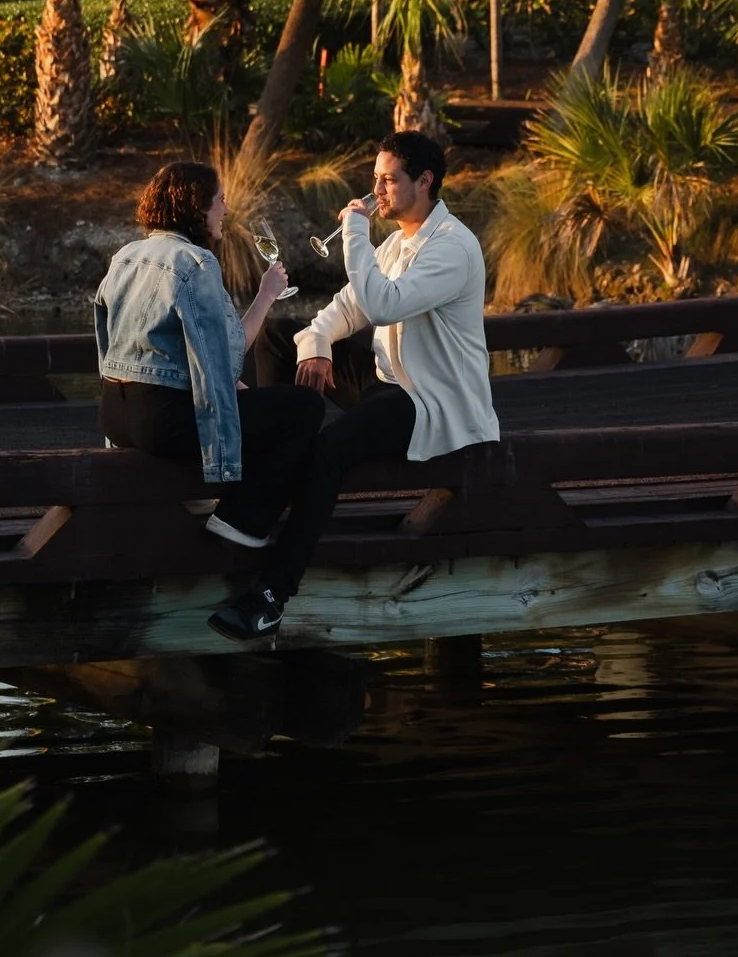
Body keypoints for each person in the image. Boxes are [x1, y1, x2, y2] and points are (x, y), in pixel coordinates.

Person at [208, 130, 500, 641]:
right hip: (389, 381)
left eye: (389, 181)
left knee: (331, 448)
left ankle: (273, 595)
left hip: (434, 401)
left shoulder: (453, 247)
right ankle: (267, 483)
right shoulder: (396, 242)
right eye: (375, 181)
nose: (378, 192)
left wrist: (355, 233)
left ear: (425, 181)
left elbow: (383, 304)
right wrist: (317, 343)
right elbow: (344, 308)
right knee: (282, 337)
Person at [95, 161, 327, 549]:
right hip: (162, 423)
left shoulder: (126, 256)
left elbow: (110, 344)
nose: (226, 209)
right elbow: (229, 355)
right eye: (219, 200)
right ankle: (241, 518)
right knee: (303, 407)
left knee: (238, 399)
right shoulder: (196, 263)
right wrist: (267, 296)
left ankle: (199, 496)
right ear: (196, 207)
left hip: (115, 417)